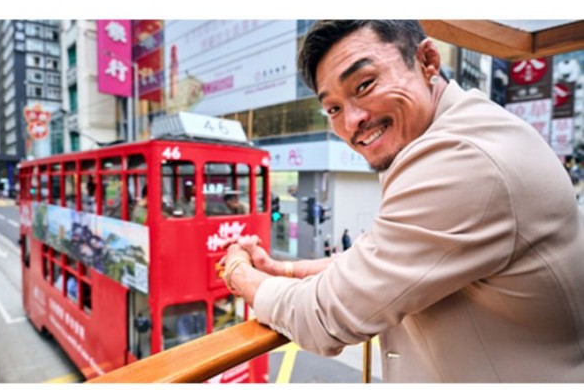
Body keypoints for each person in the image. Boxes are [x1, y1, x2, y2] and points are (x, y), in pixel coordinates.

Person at [219, 20, 584, 382]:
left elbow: (324, 317)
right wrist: (287, 270)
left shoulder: (461, 160)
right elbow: (384, 259)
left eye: (364, 84)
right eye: (333, 109)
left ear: (427, 60)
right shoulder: (468, 130)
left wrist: (237, 271)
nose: (352, 121)